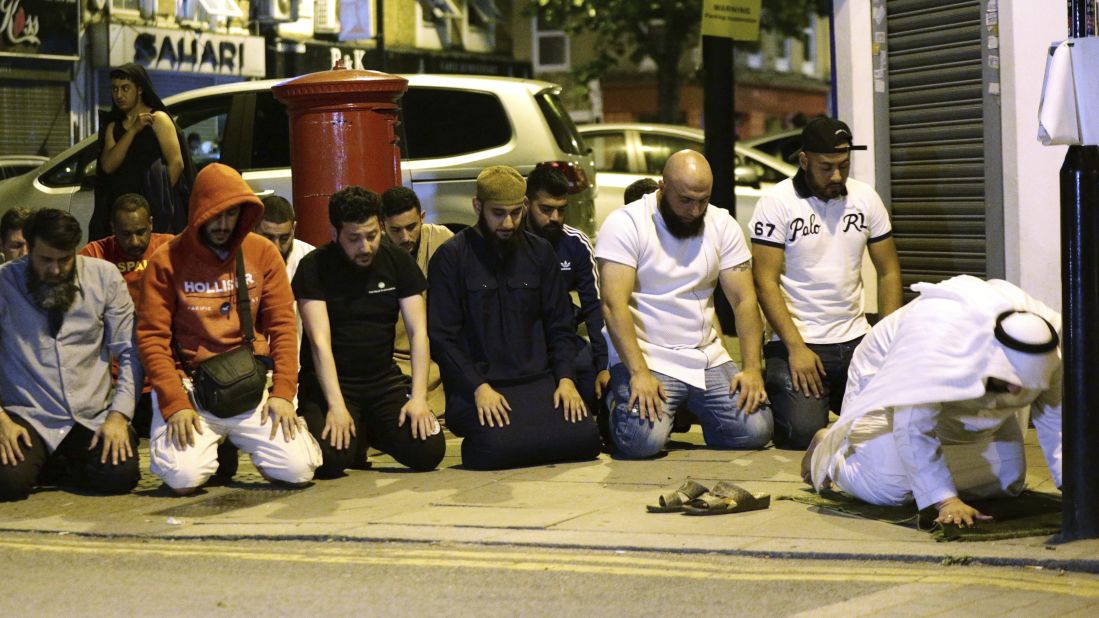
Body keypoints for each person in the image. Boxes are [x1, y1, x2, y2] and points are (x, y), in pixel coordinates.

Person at [805, 276, 1062, 528]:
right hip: (887, 383)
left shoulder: (1055, 342)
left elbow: (1058, 418)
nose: (1017, 393)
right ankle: (830, 453)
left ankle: (924, 469)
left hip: (963, 393)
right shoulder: (934, 341)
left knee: (1009, 480)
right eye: (1011, 383)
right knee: (891, 488)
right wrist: (945, 500)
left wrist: (1075, 486)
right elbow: (912, 425)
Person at [137, 163, 320, 494]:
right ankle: (212, 444)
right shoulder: (166, 260)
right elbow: (152, 338)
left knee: (299, 470)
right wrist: (174, 403)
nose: (223, 224)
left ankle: (232, 441)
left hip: (249, 381)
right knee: (183, 477)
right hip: (191, 386)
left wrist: (282, 393)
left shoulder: (262, 252)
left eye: (232, 214)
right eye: (215, 215)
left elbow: (283, 326)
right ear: (198, 211)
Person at [595, 150, 773, 459]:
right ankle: (619, 399)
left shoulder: (721, 223)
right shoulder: (627, 223)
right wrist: (638, 373)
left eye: (702, 200)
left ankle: (686, 406)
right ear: (662, 187)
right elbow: (613, 305)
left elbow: (744, 300)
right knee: (641, 442)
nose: (694, 211)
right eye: (686, 200)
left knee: (755, 430)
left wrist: (752, 368)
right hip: (647, 354)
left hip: (705, 356)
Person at [428, 165, 601, 470]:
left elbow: (559, 324)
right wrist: (477, 387)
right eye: (498, 213)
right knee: (494, 449)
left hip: (538, 379)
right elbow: (443, 339)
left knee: (584, 438)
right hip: (480, 385)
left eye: (515, 213)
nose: (508, 223)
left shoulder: (540, 252)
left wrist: (565, 378)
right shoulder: (451, 257)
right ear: (477, 206)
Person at [750, 116, 902, 450]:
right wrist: (795, 348)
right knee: (802, 435)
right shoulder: (777, 203)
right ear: (804, 161)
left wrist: (886, 338)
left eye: (843, 166)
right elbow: (764, 282)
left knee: (896, 421)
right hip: (799, 341)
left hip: (856, 338)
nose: (836, 176)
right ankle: (792, 395)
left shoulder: (866, 198)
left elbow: (889, 270)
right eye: (826, 167)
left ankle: (841, 406)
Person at [294, 187, 445, 476]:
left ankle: (370, 429)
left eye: (372, 235)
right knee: (331, 460)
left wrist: (418, 398)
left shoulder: (396, 260)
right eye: (354, 238)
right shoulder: (314, 267)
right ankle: (344, 426)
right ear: (335, 233)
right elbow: (319, 343)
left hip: (382, 381)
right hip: (332, 384)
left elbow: (418, 333)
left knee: (429, 450)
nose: (365, 247)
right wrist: (336, 406)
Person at [0, 209, 140, 500]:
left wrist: (118, 416)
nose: (54, 270)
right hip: (29, 415)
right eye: (45, 260)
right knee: (8, 483)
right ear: (29, 248)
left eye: (64, 260)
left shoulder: (104, 277)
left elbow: (129, 351)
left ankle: (55, 466)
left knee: (119, 476)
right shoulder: (4, 283)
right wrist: (1, 421)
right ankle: (51, 463)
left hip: (89, 415)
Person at [80, 193, 173, 436]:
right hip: (116, 378)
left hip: (164, 373)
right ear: (113, 229)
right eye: (125, 234)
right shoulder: (94, 255)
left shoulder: (170, 247)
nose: (134, 241)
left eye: (141, 231)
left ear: (151, 223)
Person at [523, 167, 609, 412]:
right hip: (523, 342)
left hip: (564, 338)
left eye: (561, 209)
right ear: (527, 204)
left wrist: (604, 365)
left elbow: (595, 306)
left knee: (593, 383)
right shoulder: (513, 241)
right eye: (546, 209)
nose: (555, 217)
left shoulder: (575, 243)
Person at [93, 63, 193, 240]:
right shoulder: (113, 126)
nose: (119, 95)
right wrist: (132, 131)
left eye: (125, 88)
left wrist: (157, 198)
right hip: (122, 215)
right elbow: (108, 165)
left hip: (156, 214)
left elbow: (176, 163)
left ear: (139, 89)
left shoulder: (158, 119)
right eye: (115, 89)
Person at [380, 186, 452, 414]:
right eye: (396, 230)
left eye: (411, 227)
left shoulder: (442, 240)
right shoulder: (375, 251)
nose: (405, 237)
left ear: (422, 218)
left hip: (439, 353)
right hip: (392, 358)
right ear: (382, 225)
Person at [256, 195, 315, 282]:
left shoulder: (309, 256)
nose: (276, 247)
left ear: (293, 228)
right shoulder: (241, 257)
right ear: (253, 228)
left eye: (284, 238)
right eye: (268, 238)